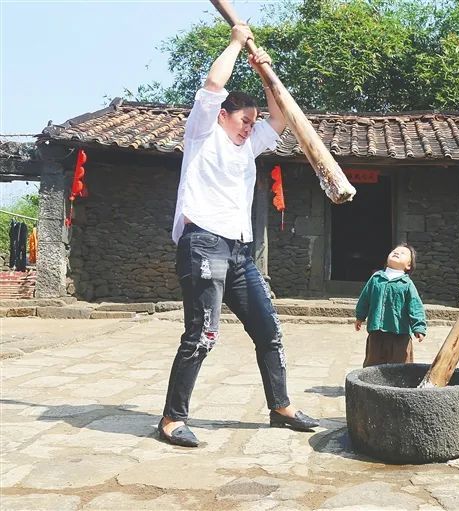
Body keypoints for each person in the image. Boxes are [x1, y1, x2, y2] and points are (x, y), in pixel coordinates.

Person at [159, 24, 319, 447]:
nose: (250, 127)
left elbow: (280, 118)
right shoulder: (202, 134)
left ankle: (281, 406)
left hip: (239, 252)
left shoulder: (247, 147)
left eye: (252, 122)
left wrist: (266, 73)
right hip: (203, 244)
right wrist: (235, 42)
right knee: (203, 333)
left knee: (269, 329)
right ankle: (172, 419)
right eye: (244, 120)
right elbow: (214, 84)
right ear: (223, 115)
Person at [354, 244, 427, 367]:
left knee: (401, 367)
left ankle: (400, 386)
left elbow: (415, 306)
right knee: (372, 364)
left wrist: (419, 327)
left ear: (408, 265)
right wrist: (360, 316)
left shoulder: (407, 284)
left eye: (403, 253)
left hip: (400, 335)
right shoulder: (376, 278)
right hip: (376, 334)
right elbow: (365, 298)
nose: (397, 253)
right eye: (394, 251)